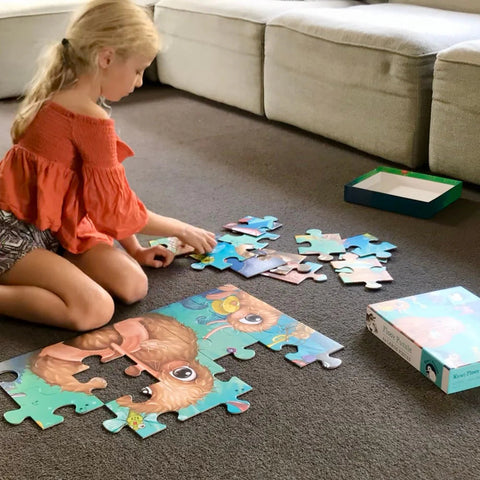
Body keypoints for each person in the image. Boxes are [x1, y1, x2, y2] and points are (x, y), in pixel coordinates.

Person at [0, 0, 217, 332]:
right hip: (12, 231)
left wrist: (136, 248)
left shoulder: (64, 94)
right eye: (138, 69)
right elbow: (114, 211)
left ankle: (54, 271)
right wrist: (179, 228)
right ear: (106, 58)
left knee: (133, 285)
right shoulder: (89, 118)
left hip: (57, 226)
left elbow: (105, 197)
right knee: (93, 309)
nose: (141, 81)